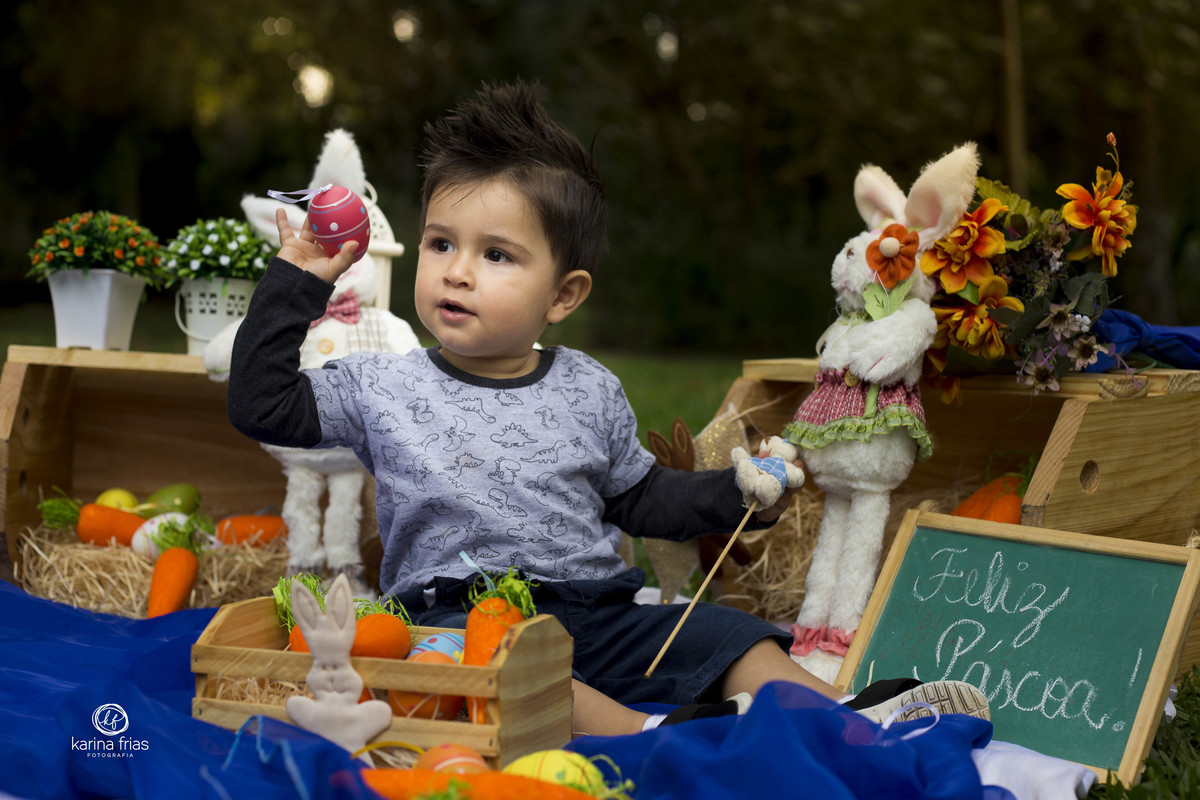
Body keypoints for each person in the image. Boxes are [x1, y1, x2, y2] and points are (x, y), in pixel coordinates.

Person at [227, 80, 988, 736]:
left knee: (729, 634)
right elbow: (262, 404)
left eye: (496, 255)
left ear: (564, 294)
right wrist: (299, 277)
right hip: (460, 621)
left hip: (598, 615)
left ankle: (854, 718)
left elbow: (640, 496)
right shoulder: (381, 385)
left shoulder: (587, 387)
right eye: (439, 244)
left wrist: (735, 494)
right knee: (480, 662)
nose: (457, 272)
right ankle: (648, 732)